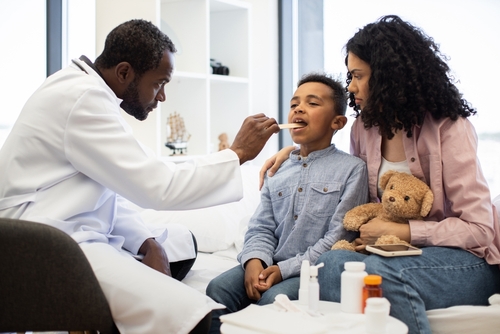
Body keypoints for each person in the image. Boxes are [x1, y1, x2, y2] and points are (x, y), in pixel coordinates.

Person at [0, 19, 279, 334]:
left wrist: (146, 241)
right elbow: (159, 185)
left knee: (181, 241)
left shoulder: (81, 89)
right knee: (190, 313)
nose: (161, 97)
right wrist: (238, 153)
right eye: (159, 83)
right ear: (124, 73)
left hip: (65, 226)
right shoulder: (84, 100)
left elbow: (107, 188)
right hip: (49, 243)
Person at [259, 15, 500, 334]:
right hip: (389, 253)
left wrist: (407, 233)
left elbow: (479, 230)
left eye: (358, 76)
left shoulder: (449, 127)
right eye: (349, 75)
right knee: (331, 266)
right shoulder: (364, 128)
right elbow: (346, 173)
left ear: (388, 76)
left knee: (377, 272)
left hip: (465, 262)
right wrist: (295, 153)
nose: (350, 86)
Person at [206, 73, 369, 333]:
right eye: (294, 104)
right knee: (217, 289)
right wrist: (254, 261)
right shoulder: (277, 170)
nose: (299, 109)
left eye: (313, 103)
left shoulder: (353, 170)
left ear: (337, 122)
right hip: (269, 264)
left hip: (312, 271)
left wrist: (282, 270)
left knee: (274, 302)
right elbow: (260, 227)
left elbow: (339, 237)